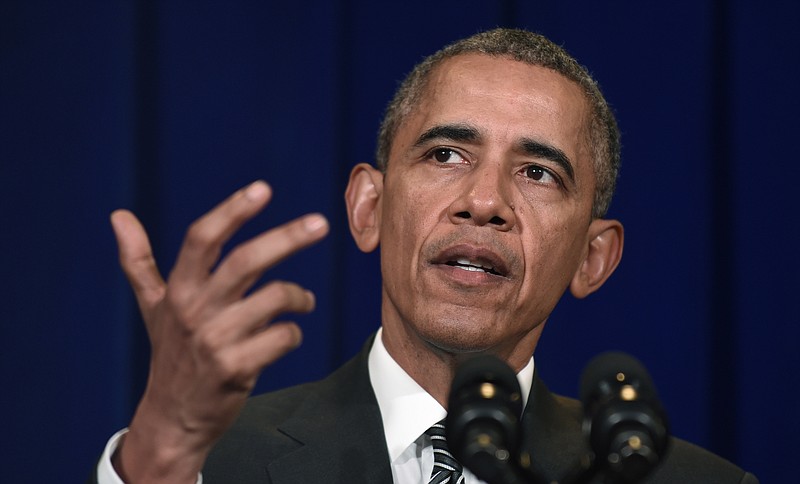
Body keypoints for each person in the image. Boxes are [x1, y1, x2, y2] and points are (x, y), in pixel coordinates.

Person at [94, 28, 757, 483]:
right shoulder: (208, 465)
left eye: (537, 173)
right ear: (369, 208)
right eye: (445, 155)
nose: (484, 201)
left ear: (593, 258)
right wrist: (163, 453)